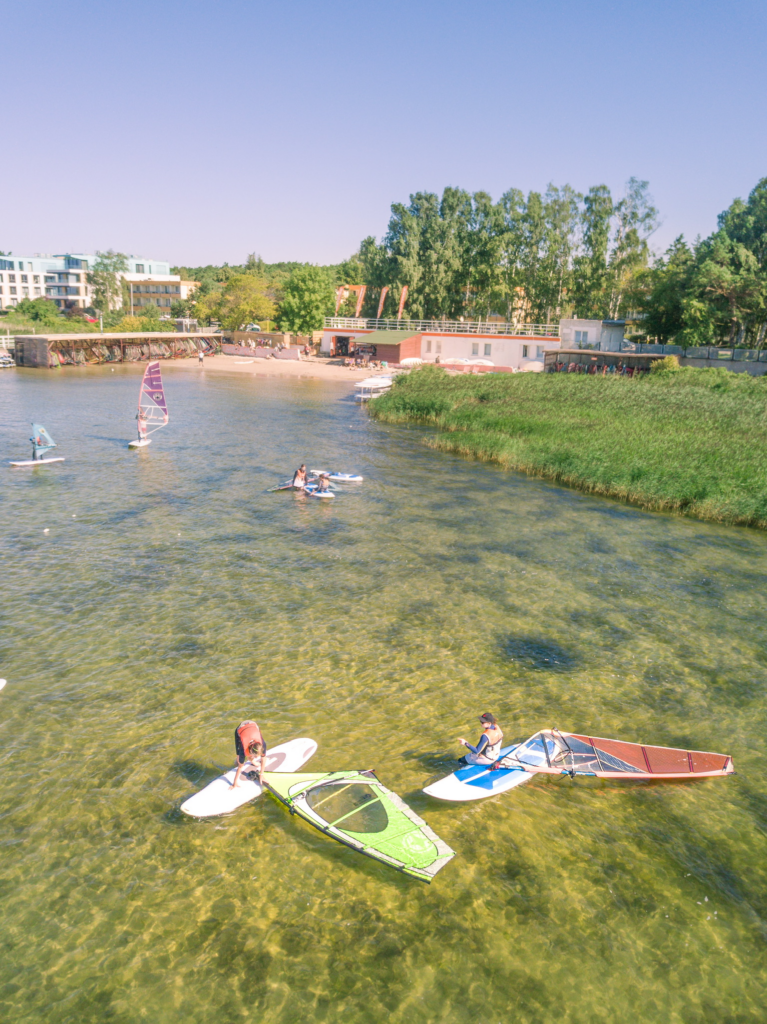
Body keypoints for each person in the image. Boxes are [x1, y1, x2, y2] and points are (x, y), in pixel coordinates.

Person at [230, 720, 267, 789]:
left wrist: (261, 774)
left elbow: (263, 758)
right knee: (239, 761)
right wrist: (234, 783)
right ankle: (247, 759)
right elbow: (240, 767)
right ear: (250, 750)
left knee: (259, 755)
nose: (256, 758)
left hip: (253, 725)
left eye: (257, 756)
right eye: (255, 756)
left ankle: (252, 761)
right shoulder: (243, 749)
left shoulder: (262, 745)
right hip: (241, 729)